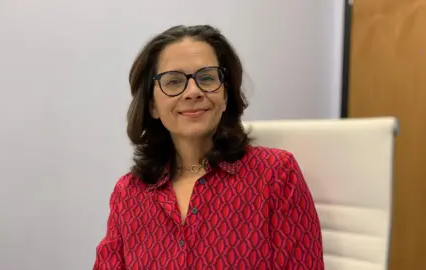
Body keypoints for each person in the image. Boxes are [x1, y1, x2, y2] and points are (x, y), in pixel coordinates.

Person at [93, 25, 324, 269]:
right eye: (173, 81)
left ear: (225, 95)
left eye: (207, 78)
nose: (193, 92)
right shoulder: (129, 193)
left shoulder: (275, 174)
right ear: (152, 105)